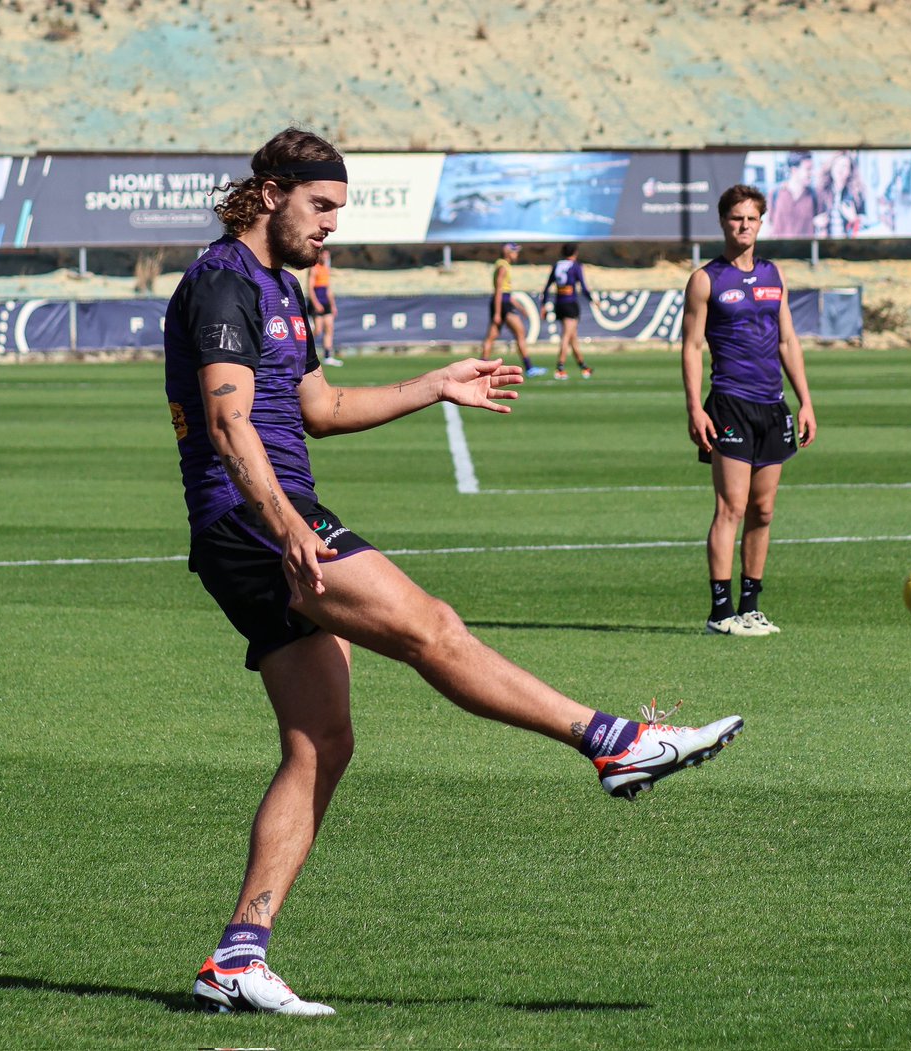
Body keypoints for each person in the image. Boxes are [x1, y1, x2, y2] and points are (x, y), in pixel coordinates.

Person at [163, 128, 743, 1017]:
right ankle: (613, 742)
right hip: (254, 522)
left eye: (339, 213)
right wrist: (287, 526)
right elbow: (230, 425)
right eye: (320, 208)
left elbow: (318, 407)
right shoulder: (222, 281)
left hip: (265, 523)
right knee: (432, 628)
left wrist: (433, 384)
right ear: (272, 191)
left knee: (322, 743)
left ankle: (238, 956)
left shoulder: (281, 287)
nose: (331, 228)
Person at [681, 184, 817, 638]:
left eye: (751, 219)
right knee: (731, 507)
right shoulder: (706, 279)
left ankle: (751, 607)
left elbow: (787, 341)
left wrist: (805, 400)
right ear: (723, 222)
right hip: (729, 403)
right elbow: (692, 346)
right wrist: (694, 409)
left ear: (761, 223)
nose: (743, 226)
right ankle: (720, 613)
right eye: (736, 218)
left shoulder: (773, 275)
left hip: (772, 405)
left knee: (763, 510)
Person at [480, 242, 546, 376]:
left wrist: (520, 308)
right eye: (515, 251)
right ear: (508, 253)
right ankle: (529, 368)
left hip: (503, 302)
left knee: (491, 337)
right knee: (519, 333)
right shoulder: (503, 267)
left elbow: (506, 293)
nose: (517, 254)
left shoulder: (503, 265)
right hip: (502, 305)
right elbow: (498, 290)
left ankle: (480, 368)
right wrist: (498, 312)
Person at [540, 242, 594, 379]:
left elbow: (546, 287)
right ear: (575, 253)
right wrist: (593, 300)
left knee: (572, 337)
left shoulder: (557, 265)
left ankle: (583, 366)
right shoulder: (575, 266)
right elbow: (583, 286)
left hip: (559, 304)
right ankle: (560, 367)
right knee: (566, 336)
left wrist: (544, 305)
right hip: (570, 304)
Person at [813, 151, 865, 239]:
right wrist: (815, 222)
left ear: (850, 171)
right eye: (837, 165)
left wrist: (854, 219)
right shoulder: (820, 191)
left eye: (844, 166)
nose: (840, 170)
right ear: (831, 167)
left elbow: (865, 227)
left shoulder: (857, 193)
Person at [766, 151, 818, 238]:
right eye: (808, 169)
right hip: (779, 250)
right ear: (794, 170)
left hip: (805, 250)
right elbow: (769, 226)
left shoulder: (814, 195)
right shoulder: (775, 194)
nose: (812, 173)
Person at [306, 247, 342, 366]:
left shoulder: (326, 269)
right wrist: (316, 304)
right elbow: (310, 288)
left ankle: (327, 356)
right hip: (316, 303)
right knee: (318, 330)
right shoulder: (313, 269)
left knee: (329, 328)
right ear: (319, 255)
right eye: (324, 256)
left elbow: (328, 289)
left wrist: (333, 305)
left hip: (326, 303)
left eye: (327, 256)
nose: (326, 258)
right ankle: (303, 349)